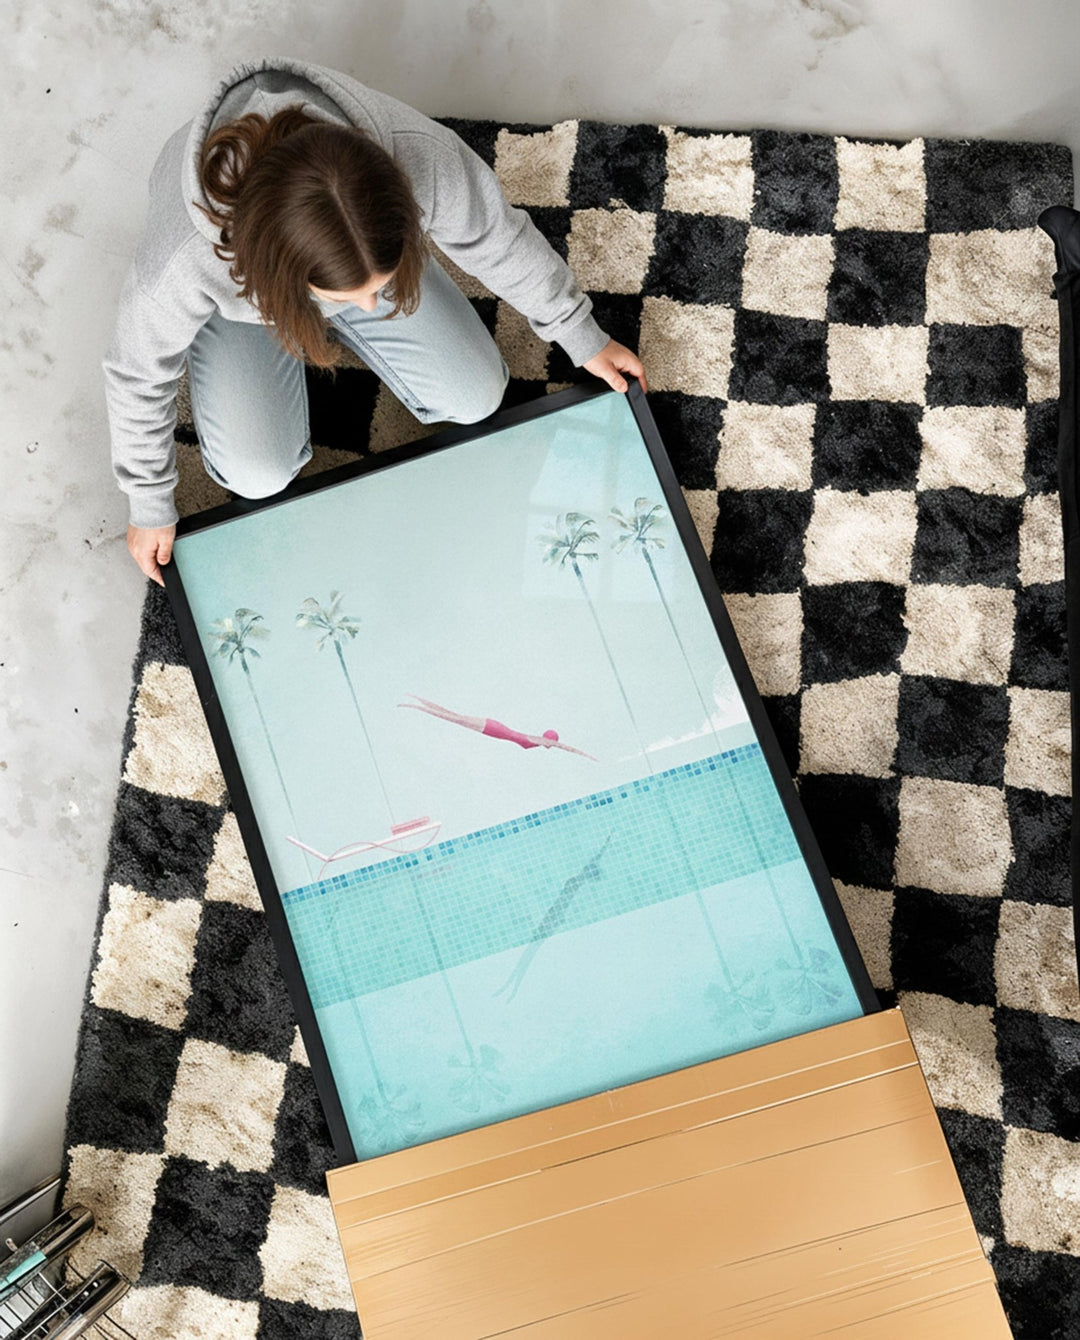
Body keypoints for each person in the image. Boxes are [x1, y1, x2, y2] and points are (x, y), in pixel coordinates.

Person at [104, 56, 647, 585]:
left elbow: (498, 239)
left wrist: (581, 334)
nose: (367, 306)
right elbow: (137, 373)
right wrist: (149, 501)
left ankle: (362, 273)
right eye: (350, 294)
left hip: (341, 252)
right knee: (259, 474)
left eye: (378, 288)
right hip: (242, 300)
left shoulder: (421, 158)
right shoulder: (185, 259)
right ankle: (307, 294)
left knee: (476, 394)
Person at [398, 694, 598, 759]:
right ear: (549, 739)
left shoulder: (537, 741)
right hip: (493, 728)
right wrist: (585, 754)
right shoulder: (538, 740)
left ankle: (417, 702)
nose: (553, 746)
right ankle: (417, 705)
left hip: (494, 729)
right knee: (454, 718)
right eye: (553, 743)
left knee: (454, 717)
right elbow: (566, 748)